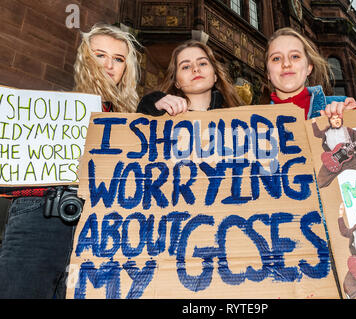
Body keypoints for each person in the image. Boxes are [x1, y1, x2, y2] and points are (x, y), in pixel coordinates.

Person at [0, 23, 142, 299]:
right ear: (85, 59)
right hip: (40, 215)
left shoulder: (132, 123)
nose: (109, 64)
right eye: (100, 55)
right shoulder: (46, 110)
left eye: (118, 59)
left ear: (126, 68)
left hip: (101, 227)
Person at [266, 27, 356, 120]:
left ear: (309, 67)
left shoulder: (344, 104)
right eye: (276, 58)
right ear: (268, 73)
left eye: (295, 56)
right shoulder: (254, 126)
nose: (286, 64)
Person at [137, 40, 243, 116]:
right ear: (176, 82)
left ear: (215, 76)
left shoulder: (241, 117)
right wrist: (153, 104)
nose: (195, 69)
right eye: (186, 66)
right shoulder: (162, 114)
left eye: (202, 63)